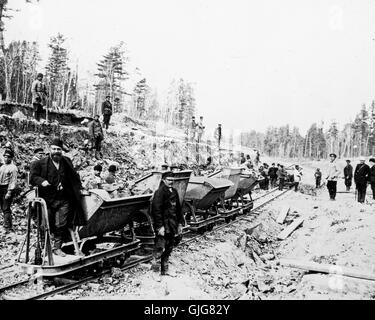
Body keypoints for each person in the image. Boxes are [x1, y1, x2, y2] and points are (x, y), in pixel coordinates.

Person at [30, 138, 86, 256]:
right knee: (45, 224)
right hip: (47, 200)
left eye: (58, 149)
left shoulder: (66, 161)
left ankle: (57, 247)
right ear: (50, 150)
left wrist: (79, 187)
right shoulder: (40, 163)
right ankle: (45, 247)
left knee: (61, 224)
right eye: (54, 149)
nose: (56, 151)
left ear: (62, 151)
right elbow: (33, 177)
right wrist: (42, 181)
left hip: (63, 199)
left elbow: (74, 176)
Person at [151, 171, 184, 275]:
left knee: (169, 246)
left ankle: (165, 270)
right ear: (163, 180)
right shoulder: (159, 192)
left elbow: (179, 209)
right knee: (160, 247)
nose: (171, 182)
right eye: (169, 180)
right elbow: (156, 211)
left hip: (172, 224)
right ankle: (155, 272)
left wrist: (180, 223)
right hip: (164, 225)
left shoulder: (174, 191)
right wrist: (160, 227)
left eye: (172, 180)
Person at [0, 149, 18, 232]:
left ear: (11, 158)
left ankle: (8, 226)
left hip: (7, 188)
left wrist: (9, 192)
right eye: (5, 156)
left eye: (8, 157)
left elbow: (13, 181)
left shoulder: (13, 168)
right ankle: (7, 224)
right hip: (1, 187)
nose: (6, 158)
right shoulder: (2, 167)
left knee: (6, 207)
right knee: (3, 208)